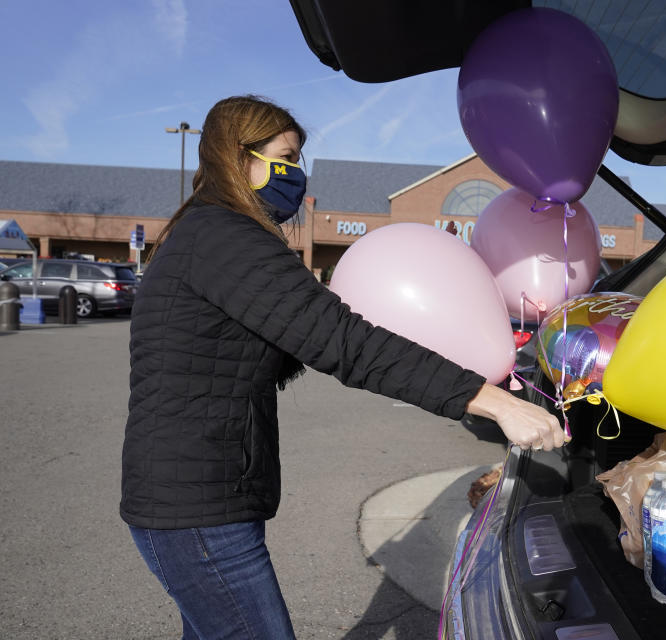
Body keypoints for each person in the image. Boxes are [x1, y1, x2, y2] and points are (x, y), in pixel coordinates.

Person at [120, 95, 565, 640]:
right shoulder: (225, 238)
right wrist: (491, 400)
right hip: (195, 507)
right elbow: (343, 344)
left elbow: (297, 340)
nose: (296, 175)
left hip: (194, 497)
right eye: (285, 157)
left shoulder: (211, 235)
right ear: (239, 158)